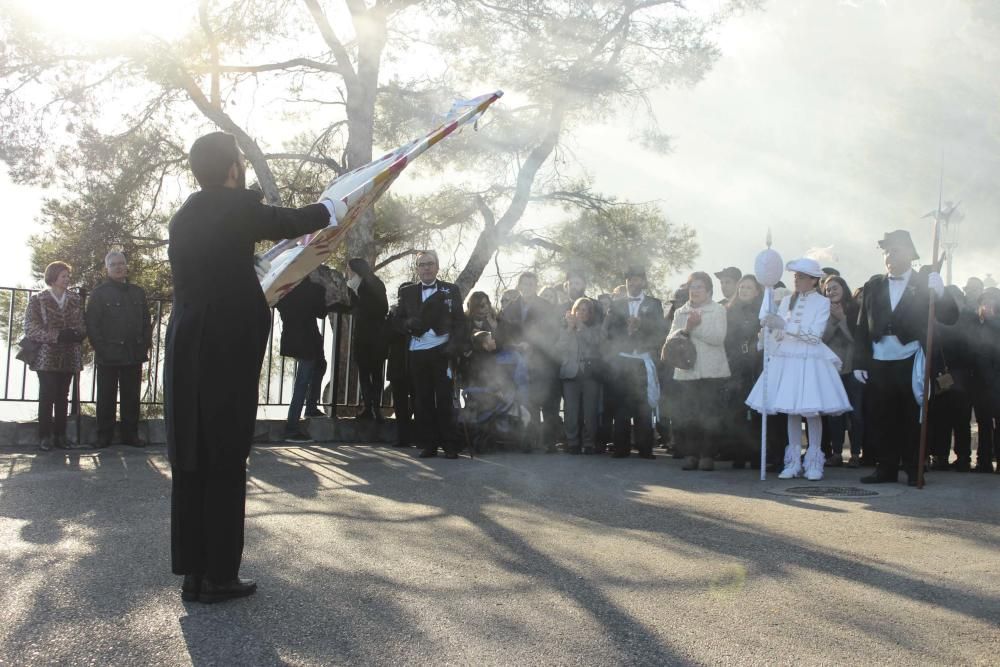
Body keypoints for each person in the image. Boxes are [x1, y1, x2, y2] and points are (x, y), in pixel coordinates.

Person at [165, 131, 338, 603]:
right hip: (223, 348)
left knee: (192, 456)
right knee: (224, 456)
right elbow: (294, 220)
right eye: (239, 160)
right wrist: (334, 204)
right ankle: (220, 574)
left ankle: (194, 573)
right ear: (231, 168)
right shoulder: (234, 206)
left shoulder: (185, 215)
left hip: (185, 346)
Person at [852, 230, 958, 485]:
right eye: (887, 251)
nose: (890, 256)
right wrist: (859, 361)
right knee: (881, 415)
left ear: (910, 254)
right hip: (879, 359)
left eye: (896, 250)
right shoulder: (873, 285)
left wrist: (941, 292)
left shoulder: (923, 284)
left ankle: (913, 467)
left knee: (911, 415)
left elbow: (950, 317)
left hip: (910, 357)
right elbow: (862, 327)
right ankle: (886, 467)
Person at [746, 258, 851, 481]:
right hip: (787, 359)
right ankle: (793, 462)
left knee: (811, 411)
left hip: (810, 359)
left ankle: (813, 462)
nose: (797, 280)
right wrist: (770, 331)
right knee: (791, 411)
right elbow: (780, 333)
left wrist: (786, 326)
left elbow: (814, 336)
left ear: (814, 281)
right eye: (795, 276)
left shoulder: (822, 303)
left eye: (801, 277)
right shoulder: (786, 301)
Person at [392, 250, 467, 459]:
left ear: (437, 267)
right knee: (422, 400)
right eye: (422, 264)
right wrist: (407, 324)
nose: (426, 268)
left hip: (442, 350)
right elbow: (396, 322)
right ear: (417, 269)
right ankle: (429, 443)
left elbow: (460, 321)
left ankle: (451, 444)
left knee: (444, 398)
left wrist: (454, 347)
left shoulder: (451, 290)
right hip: (417, 352)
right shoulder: (407, 292)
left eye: (430, 264)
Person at [85, 251, 152, 448]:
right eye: (113, 264)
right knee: (106, 397)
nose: (118, 267)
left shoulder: (138, 292)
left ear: (126, 266)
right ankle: (103, 436)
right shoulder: (99, 293)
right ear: (107, 268)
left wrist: (144, 345)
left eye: (121, 263)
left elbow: (146, 322)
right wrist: (102, 349)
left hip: (134, 353)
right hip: (109, 354)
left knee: (131, 397)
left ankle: (130, 435)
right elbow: (92, 325)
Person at [666, 271, 730, 470]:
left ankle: (707, 455)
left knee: (709, 414)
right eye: (692, 287)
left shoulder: (718, 310)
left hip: (712, 371)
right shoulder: (680, 312)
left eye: (699, 287)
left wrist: (696, 327)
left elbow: (718, 338)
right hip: (687, 371)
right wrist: (686, 327)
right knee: (689, 415)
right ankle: (691, 454)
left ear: (709, 290)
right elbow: (670, 340)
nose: (695, 291)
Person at [604, 266, 666, 459]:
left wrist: (641, 326)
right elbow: (609, 332)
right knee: (621, 405)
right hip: (623, 360)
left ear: (643, 282)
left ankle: (645, 448)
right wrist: (627, 332)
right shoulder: (616, 304)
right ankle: (621, 448)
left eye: (637, 279)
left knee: (643, 405)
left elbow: (659, 331)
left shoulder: (654, 304)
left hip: (642, 359)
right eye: (629, 279)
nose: (633, 283)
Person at [24, 261, 86, 451]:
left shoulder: (75, 299)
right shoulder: (38, 299)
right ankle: (44, 436)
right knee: (47, 394)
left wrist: (78, 334)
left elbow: (82, 323)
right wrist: (56, 335)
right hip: (46, 355)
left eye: (68, 276)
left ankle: (61, 436)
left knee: (63, 395)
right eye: (63, 276)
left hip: (69, 354)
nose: (67, 279)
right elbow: (30, 328)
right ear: (53, 277)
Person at [498, 272, 562, 452]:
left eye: (531, 284)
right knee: (528, 402)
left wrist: (531, 344)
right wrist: (513, 344)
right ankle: (530, 442)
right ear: (519, 286)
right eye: (524, 284)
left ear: (536, 286)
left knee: (549, 402)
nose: (527, 287)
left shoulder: (546, 307)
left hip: (543, 360)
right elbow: (503, 332)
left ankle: (550, 443)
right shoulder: (509, 308)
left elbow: (553, 333)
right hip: (519, 361)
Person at [275, 271, 329, 443]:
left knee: (320, 365)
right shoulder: (315, 288)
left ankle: (311, 407)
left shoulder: (285, 289)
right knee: (302, 382)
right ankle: (292, 429)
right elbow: (322, 313)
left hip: (292, 338)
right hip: (308, 339)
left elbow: (278, 305)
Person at [927, 285, 976, 471]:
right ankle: (940, 456)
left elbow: (972, 350)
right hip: (941, 375)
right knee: (941, 420)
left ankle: (963, 457)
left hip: (961, 376)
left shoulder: (966, 320)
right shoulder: (937, 321)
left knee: (961, 420)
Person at [820, 275, 863, 467]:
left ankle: (855, 454)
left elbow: (856, 338)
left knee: (856, 414)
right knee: (835, 414)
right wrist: (833, 321)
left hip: (853, 368)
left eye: (835, 287)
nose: (831, 292)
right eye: (828, 289)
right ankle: (836, 453)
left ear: (844, 288)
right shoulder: (822, 312)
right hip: (832, 370)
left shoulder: (855, 310)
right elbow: (822, 339)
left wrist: (842, 319)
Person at [723, 274, 764, 468]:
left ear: (757, 291)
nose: (744, 291)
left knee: (756, 410)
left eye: (748, 287)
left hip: (757, 364)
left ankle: (757, 455)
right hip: (737, 363)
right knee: (736, 411)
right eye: (741, 287)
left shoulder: (763, 311)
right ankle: (738, 453)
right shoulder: (729, 311)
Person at [558, 298, 606, 455]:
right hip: (570, 373)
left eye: (585, 310)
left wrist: (580, 327)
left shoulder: (596, 328)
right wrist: (569, 329)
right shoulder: (565, 327)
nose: (581, 313)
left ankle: (589, 443)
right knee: (570, 411)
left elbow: (596, 342)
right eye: (578, 309)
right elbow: (558, 348)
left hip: (590, 374)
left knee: (590, 412)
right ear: (573, 311)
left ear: (591, 313)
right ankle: (572, 442)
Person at [347, 258, 388, 421]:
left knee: (374, 374)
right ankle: (370, 407)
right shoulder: (356, 285)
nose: (347, 272)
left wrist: (357, 301)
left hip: (372, 336)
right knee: (366, 373)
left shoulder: (370, 285)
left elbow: (381, 308)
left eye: (349, 269)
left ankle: (374, 408)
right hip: (366, 336)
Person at [971, 287, 1000, 472]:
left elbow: (980, 356)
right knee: (985, 423)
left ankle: (984, 461)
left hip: (986, 383)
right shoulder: (980, 325)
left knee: (986, 423)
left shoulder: (985, 327)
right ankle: (985, 460)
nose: (986, 307)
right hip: (986, 383)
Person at [386, 282, 415, 448]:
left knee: (418, 400)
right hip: (398, 362)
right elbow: (387, 336)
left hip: (415, 362)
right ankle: (403, 436)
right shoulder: (394, 313)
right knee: (400, 402)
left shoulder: (421, 311)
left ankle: (419, 435)